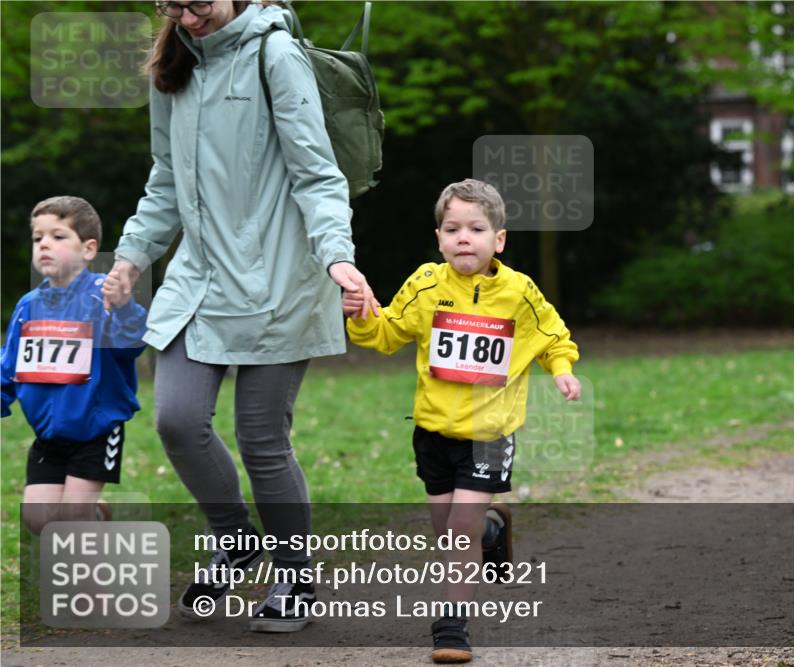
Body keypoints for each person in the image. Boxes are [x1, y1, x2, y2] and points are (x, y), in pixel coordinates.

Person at [106, 0, 378, 632]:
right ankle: (235, 539)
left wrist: (337, 257)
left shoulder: (274, 54)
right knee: (176, 420)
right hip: (197, 283)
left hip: (280, 280)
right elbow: (165, 180)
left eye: (196, 3)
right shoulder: (173, 65)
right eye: (169, 5)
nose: (185, 16)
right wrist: (131, 256)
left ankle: (295, 577)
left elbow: (317, 175)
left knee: (262, 440)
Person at [344, 179, 581, 663]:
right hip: (433, 432)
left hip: (490, 436)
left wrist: (561, 370)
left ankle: (452, 628)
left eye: (476, 228)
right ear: (439, 238)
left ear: (499, 239)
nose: (463, 238)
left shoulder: (519, 292)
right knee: (448, 527)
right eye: (452, 229)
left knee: (458, 528)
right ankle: (492, 532)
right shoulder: (426, 285)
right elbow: (387, 333)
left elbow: (555, 335)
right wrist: (362, 316)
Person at [1, 196, 146, 534]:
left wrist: (124, 308)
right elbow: (10, 366)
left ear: (89, 249)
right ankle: (96, 515)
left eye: (58, 236)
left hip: (95, 430)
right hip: (49, 435)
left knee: (73, 519)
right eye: (38, 238)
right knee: (39, 519)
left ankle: (91, 588)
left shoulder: (106, 296)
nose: (45, 245)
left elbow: (131, 345)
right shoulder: (28, 305)